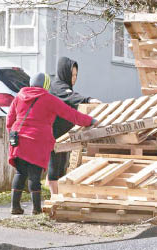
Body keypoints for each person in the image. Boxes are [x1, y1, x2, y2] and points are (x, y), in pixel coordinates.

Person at [6, 72, 96, 215]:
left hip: (18, 140)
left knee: (20, 172)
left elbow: (10, 119)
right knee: (35, 175)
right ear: (46, 84)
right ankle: (36, 209)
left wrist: (13, 131)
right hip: (37, 140)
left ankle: (15, 207)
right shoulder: (48, 99)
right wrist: (89, 120)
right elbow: (70, 113)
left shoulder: (19, 97)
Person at [46, 57, 101, 195]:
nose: (74, 78)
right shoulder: (58, 86)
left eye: (76, 75)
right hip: (53, 133)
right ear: (65, 73)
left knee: (62, 164)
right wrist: (88, 99)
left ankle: (59, 193)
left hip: (63, 134)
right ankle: (54, 196)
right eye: (72, 75)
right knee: (55, 165)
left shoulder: (65, 87)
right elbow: (71, 97)